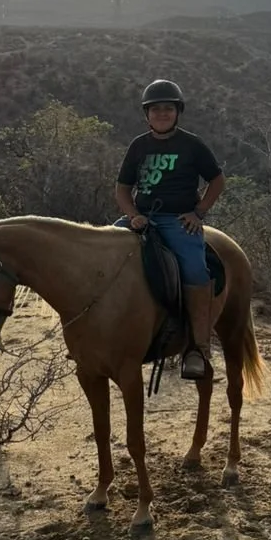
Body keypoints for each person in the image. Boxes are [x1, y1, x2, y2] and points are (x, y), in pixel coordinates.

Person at [114, 79, 225, 380]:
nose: (162, 114)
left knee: (195, 270)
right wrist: (133, 215)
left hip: (178, 220)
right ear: (146, 114)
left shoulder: (192, 145)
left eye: (168, 108)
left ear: (178, 111)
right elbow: (123, 189)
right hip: (143, 218)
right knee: (104, 253)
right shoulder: (138, 146)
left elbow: (217, 181)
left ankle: (197, 348)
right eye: (156, 109)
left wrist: (199, 212)